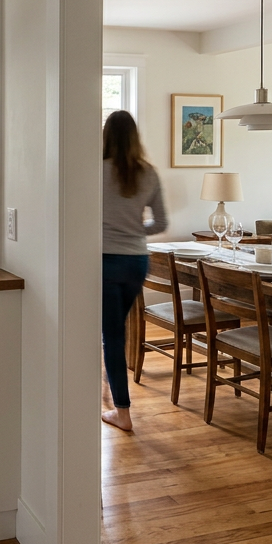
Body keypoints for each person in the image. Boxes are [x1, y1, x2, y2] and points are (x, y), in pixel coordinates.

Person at [101, 110, 168, 432]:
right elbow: (162, 223)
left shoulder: (95, 170)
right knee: (114, 332)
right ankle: (109, 385)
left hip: (105, 261)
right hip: (137, 262)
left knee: (112, 335)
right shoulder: (148, 173)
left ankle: (122, 412)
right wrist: (135, 230)